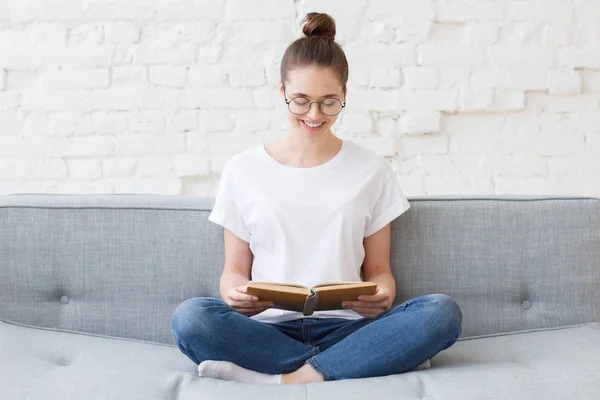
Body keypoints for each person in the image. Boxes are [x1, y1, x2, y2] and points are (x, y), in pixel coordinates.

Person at [171, 12, 463, 385]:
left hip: (348, 328)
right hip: (266, 331)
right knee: (191, 318)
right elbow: (233, 272)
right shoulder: (243, 170)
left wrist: (382, 295)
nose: (314, 114)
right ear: (281, 93)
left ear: (344, 96)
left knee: (440, 313)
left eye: (328, 102)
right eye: (300, 101)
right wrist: (236, 296)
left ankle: (287, 379)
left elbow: (378, 272)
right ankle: (355, 364)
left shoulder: (372, 170)